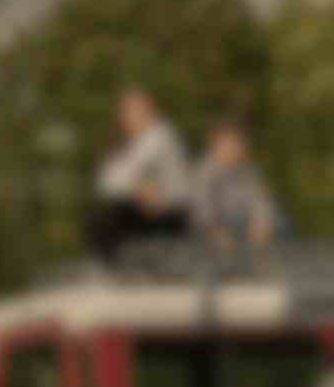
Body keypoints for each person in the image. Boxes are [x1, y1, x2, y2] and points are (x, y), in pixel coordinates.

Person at [85, 87, 191, 263]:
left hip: (170, 211)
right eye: (126, 113)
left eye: (134, 112)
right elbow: (106, 181)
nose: (128, 118)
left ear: (149, 111)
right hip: (146, 207)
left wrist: (133, 185)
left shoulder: (159, 137)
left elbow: (127, 174)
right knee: (103, 215)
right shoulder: (129, 142)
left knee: (107, 219)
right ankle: (115, 268)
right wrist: (135, 187)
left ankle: (118, 269)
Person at [190, 116, 288, 260]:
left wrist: (262, 221)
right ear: (215, 145)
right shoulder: (203, 173)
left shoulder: (249, 170)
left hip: (244, 227)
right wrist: (214, 232)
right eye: (228, 144)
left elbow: (261, 200)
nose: (233, 149)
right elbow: (201, 213)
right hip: (213, 229)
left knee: (281, 223)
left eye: (237, 144)